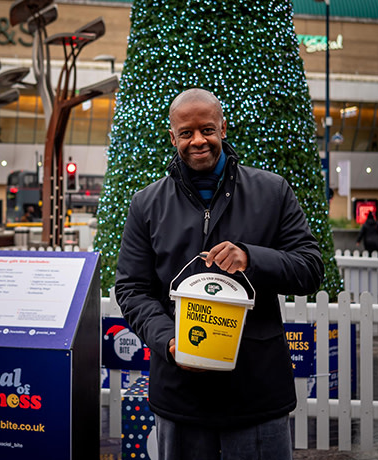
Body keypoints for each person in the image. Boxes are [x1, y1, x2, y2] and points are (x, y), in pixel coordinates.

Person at [115, 88, 324, 460]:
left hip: (256, 393)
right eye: (186, 133)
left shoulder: (272, 191)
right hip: (181, 395)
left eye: (207, 130)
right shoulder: (146, 203)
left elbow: (309, 268)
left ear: (223, 128)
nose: (198, 141)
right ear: (172, 136)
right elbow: (132, 289)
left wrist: (251, 258)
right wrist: (169, 341)